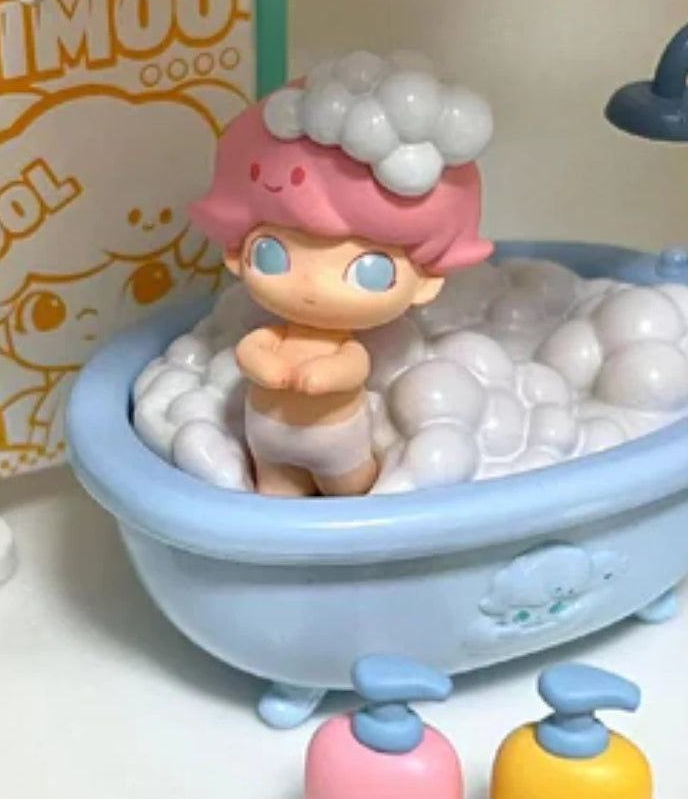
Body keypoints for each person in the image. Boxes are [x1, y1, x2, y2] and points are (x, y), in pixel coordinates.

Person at [189, 51, 495, 496]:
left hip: (338, 443)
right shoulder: (271, 334)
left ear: (426, 281)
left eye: (369, 271)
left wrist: (320, 377)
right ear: (235, 253)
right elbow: (252, 350)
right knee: (274, 492)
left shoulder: (348, 350)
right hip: (267, 438)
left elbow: (352, 368)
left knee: (350, 489)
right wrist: (263, 364)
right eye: (272, 254)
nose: (312, 285)